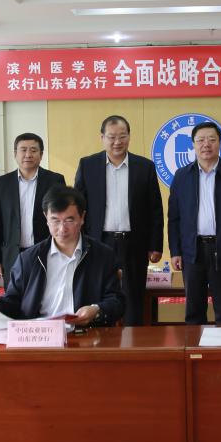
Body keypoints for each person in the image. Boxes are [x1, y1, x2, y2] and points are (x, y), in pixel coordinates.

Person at [0, 186, 123, 325]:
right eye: (55, 220)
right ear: (46, 217)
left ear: (82, 217)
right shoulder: (28, 259)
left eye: (69, 220)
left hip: (86, 332)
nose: (62, 229)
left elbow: (117, 302)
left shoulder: (103, 256)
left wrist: (96, 310)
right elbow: (12, 300)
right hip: (40, 334)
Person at [74, 115, 164, 325]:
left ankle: (134, 338)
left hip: (133, 243)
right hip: (98, 241)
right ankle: (100, 338)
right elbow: (78, 207)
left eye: (122, 136)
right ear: (102, 138)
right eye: (111, 137)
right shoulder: (88, 165)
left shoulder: (145, 167)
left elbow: (155, 209)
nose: (117, 142)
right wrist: (79, 242)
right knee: (98, 293)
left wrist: (155, 245)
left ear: (129, 137)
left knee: (133, 297)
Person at [167, 122, 221, 325]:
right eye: (200, 140)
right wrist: (175, 251)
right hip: (192, 250)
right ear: (193, 145)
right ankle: (194, 346)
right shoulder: (181, 177)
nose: (206, 144)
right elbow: (174, 218)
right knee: (194, 310)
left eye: (212, 139)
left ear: (220, 143)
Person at [0, 132, 66, 281]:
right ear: (15, 154)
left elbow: (61, 219)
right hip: (12, 255)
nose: (28, 155)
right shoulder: (1, 184)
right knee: (14, 294)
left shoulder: (55, 181)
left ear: (41, 154)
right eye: (23, 150)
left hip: (46, 252)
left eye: (33, 150)